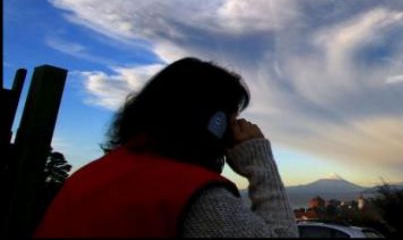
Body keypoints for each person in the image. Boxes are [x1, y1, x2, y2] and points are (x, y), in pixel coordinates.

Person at [34, 57, 298, 237]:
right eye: (231, 117)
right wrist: (259, 159)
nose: (236, 126)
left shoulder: (87, 177)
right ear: (214, 123)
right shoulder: (194, 196)